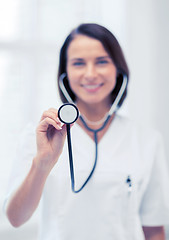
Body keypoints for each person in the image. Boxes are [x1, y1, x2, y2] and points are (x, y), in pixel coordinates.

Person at [4, 23, 169, 240]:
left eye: (102, 62)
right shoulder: (40, 135)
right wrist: (43, 163)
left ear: (118, 69)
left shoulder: (146, 141)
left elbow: (154, 229)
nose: (90, 74)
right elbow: (16, 218)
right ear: (66, 73)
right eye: (78, 63)